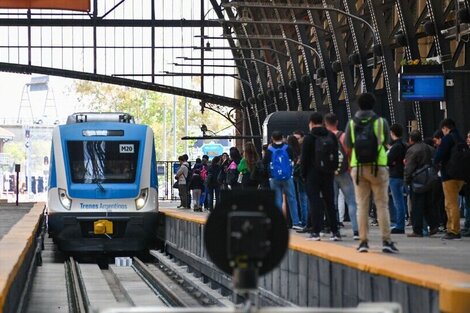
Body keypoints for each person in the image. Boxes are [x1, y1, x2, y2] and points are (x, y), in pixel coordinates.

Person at [344, 93, 397, 253]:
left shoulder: (352, 123)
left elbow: (348, 144)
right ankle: (386, 241)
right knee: (382, 205)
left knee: (362, 205)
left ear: (358, 105)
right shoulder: (381, 122)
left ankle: (363, 242)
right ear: (373, 104)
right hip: (378, 166)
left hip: (358, 167)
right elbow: (387, 141)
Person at [301, 112, 341, 241]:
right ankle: (335, 232)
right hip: (328, 173)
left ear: (311, 123)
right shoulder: (330, 136)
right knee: (329, 202)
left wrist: (303, 174)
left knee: (315, 203)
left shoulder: (309, 138)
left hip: (312, 174)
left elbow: (304, 159)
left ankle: (316, 232)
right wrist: (333, 169)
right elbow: (335, 153)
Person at [324, 112, 359, 240]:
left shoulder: (324, 137)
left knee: (331, 202)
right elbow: (350, 152)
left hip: (329, 174)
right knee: (351, 201)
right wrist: (349, 167)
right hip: (344, 172)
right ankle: (356, 231)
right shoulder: (344, 136)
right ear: (337, 122)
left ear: (325, 123)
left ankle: (335, 231)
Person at [434, 118, 466, 240]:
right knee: (452, 203)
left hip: (449, 175)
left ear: (445, 128)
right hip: (461, 175)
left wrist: (436, 162)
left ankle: (454, 230)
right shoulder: (461, 138)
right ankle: (451, 228)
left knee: (450, 204)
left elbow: (439, 155)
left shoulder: (448, 138)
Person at [263, 131, 302, 230]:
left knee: (277, 200)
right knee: (292, 199)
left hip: (274, 177)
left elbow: (264, 162)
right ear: (282, 137)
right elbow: (293, 159)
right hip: (288, 177)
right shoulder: (288, 148)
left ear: (272, 138)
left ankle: (278, 222)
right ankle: (296, 222)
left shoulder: (270, 150)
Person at [404, 130, 438, 237]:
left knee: (417, 206)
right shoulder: (431, 148)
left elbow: (409, 167)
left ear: (411, 139)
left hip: (418, 181)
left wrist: (407, 180)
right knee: (429, 204)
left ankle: (417, 230)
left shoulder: (412, 150)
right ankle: (433, 226)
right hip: (431, 179)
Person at [387, 124, 407, 234]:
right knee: (401, 201)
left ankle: (399, 225)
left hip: (395, 175)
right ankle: (400, 223)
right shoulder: (404, 145)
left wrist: (392, 162)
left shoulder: (396, 147)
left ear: (392, 133)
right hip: (402, 174)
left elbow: (388, 161)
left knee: (397, 201)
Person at [288, 135, 309, 228]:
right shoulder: (300, 151)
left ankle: (299, 220)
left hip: (293, 176)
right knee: (304, 200)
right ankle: (306, 220)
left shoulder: (288, 151)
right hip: (303, 177)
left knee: (295, 198)